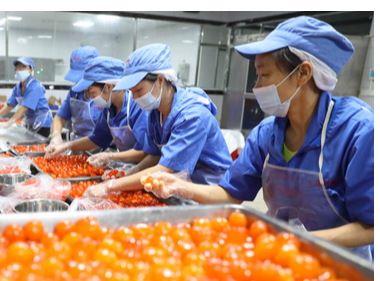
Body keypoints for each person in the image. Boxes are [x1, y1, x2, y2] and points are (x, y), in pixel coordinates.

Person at [143, 17, 374, 261]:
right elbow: (231, 194)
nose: (256, 86)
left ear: (303, 73)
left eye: (264, 75)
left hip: (342, 268)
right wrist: (182, 187)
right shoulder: (266, 133)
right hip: (280, 257)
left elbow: (370, 226)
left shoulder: (356, 132)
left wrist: (302, 241)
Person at [84, 44, 232, 197]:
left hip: (210, 189)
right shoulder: (155, 112)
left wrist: (110, 186)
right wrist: (132, 171)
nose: (135, 98)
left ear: (160, 80)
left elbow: (167, 168)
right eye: (132, 92)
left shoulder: (191, 116)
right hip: (180, 186)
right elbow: (154, 155)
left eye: (139, 90)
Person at [46, 57, 150, 175]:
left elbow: (145, 151)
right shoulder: (110, 109)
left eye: (92, 93)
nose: (93, 98)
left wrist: (111, 156)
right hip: (126, 169)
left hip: (145, 172)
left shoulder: (138, 107)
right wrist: (65, 146)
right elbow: (97, 139)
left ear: (108, 87)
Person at [0, 57, 53, 137]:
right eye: (17, 68)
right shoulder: (17, 88)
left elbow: (23, 108)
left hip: (42, 123)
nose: (19, 70)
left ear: (30, 69)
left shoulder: (35, 86)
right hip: (30, 122)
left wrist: (8, 123)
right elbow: (9, 105)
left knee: (38, 144)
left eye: (22, 67)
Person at [50, 46, 102, 144]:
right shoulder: (75, 92)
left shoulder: (105, 94)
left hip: (102, 149)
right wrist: (56, 136)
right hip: (77, 147)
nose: (78, 82)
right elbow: (59, 118)